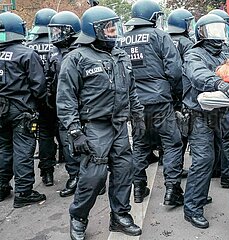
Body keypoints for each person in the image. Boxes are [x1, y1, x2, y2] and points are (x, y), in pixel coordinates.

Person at [56, 6, 144, 239]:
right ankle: (78, 216)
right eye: (109, 27)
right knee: (93, 177)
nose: (114, 31)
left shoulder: (120, 55)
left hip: (119, 125)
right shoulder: (76, 58)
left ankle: (120, 216)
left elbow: (131, 89)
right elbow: (65, 99)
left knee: (125, 170)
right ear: (94, 30)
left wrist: (137, 115)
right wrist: (75, 131)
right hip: (94, 127)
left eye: (115, 26)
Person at [119, 0, 184, 206]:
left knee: (140, 144)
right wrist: (176, 97)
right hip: (159, 100)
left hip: (135, 102)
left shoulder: (123, 40)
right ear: (153, 17)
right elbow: (174, 70)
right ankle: (172, 189)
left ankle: (138, 188)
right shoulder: (160, 36)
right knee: (172, 143)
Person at [182, 13, 229, 229]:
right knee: (203, 159)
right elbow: (197, 75)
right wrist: (218, 83)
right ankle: (192, 208)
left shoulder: (224, 52)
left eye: (221, 31)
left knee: (215, 157)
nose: (218, 36)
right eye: (213, 31)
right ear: (201, 34)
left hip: (220, 112)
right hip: (200, 114)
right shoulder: (194, 54)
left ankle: (198, 193)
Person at [0, 12, 47, 207]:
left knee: (3, 148)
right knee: (23, 150)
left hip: (1, 109)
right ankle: (24, 191)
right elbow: (39, 86)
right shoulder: (26, 53)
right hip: (21, 110)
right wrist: (44, 105)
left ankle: (2, 186)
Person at [46, 11, 82, 197]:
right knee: (67, 143)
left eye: (59, 31)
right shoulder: (56, 53)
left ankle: (91, 180)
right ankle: (74, 176)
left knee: (86, 143)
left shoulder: (82, 51)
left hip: (82, 106)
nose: (56, 35)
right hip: (63, 107)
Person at [207, 9, 229, 190]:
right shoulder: (202, 52)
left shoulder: (221, 48)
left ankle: (220, 170)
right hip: (219, 99)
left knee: (223, 137)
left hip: (220, 99)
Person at [26, 8, 58, 187]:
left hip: (37, 98)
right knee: (64, 133)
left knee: (44, 134)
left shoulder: (27, 46)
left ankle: (47, 173)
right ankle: (73, 172)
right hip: (58, 95)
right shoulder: (58, 44)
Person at [167, 8, 195, 177]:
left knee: (169, 132)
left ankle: (169, 162)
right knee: (183, 131)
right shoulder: (186, 43)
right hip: (182, 92)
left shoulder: (163, 38)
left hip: (165, 92)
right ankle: (177, 167)